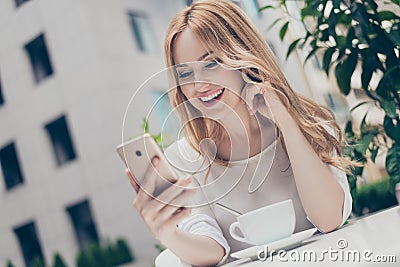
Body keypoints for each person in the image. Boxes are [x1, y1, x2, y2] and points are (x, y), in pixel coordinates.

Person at [125, 0, 355, 266]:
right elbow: (212, 251)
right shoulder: (185, 158)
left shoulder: (310, 124)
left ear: (242, 56)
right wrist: (166, 233)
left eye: (211, 64)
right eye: (186, 73)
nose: (198, 85)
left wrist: (286, 121)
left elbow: (329, 219)